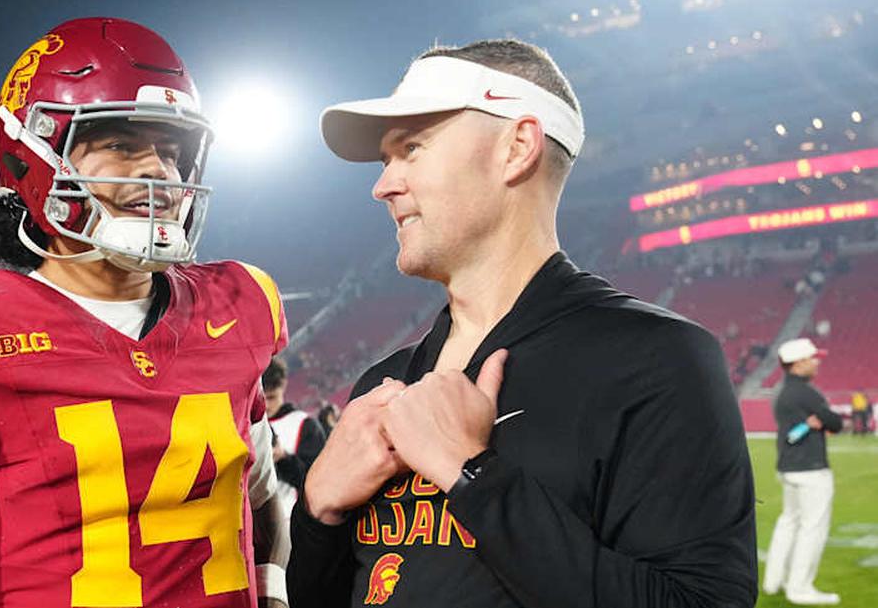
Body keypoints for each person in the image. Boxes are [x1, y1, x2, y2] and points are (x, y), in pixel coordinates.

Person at [288, 39, 757, 607]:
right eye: (387, 160)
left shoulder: (656, 360)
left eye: (411, 147)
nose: (382, 185)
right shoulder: (382, 383)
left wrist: (473, 476)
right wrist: (318, 512)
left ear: (516, 147)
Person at [0, 17, 290, 608]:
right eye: (120, 144)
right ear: (34, 158)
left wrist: (272, 594)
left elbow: (262, 500)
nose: (158, 173)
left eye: (171, 151)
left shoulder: (237, 305)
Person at [762, 338, 843, 605]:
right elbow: (835, 422)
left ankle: (773, 581)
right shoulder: (808, 393)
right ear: (798, 363)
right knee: (812, 528)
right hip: (811, 469)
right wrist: (822, 420)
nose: (817, 361)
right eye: (812, 357)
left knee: (788, 523)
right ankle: (800, 588)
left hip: (789, 467)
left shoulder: (780, 391)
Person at [263, 357, 327, 515]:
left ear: (283, 387)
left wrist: (283, 459)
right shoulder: (245, 425)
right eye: (261, 398)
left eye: (271, 397)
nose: (266, 405)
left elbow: (319, 482)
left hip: (290, 523)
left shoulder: (304, 425)